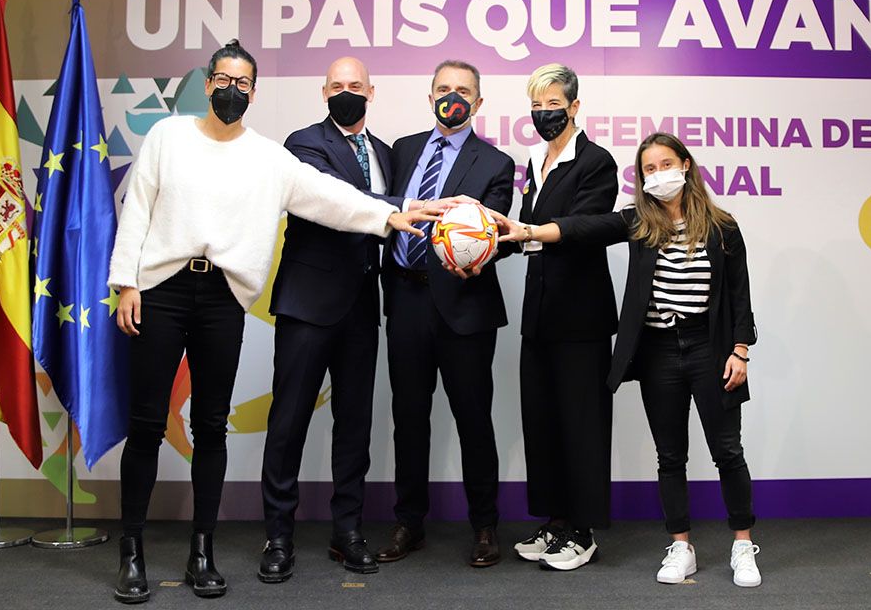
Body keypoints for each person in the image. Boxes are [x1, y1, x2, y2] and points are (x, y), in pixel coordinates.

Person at [107, 41, 439, 604]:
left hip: (223, 297)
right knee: (145, 424)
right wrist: (127, 283)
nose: (232, 89)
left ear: (255, 92)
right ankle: (132, 551)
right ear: (208, 83)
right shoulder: (167, 137)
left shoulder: (269, 157)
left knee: (212, 427)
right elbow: (137, 205)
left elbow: (330, 197)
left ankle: (202, 553)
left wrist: (390, 215)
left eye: (243, 82)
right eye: (223, 80)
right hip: (160, 290)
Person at [492, 132, 762, 587]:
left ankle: (742, 545)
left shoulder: (722, 226)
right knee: (670, 455)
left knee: (727, 451)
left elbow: (739, 294)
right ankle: (681, 546)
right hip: (658, 350)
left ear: (687, 165)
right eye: (648, 170)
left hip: (709, 349)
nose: (658, 175)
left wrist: (740, 350)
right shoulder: (639, 222)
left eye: (665, 164)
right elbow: (586, 227)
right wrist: (532, 231)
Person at [258, 57, 466, 583]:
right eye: (337, 85)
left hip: (361, 308)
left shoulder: (385, 154)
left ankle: (346, 530)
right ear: (322, 90)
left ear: (372, 92)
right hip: (307, 303)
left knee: (355, 426)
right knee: (288, 423)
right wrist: (407, 205)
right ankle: (278, 536)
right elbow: (331, 198)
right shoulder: (303, 143)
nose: (346, 92)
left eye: (356, 85)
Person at [375, 59, 515, 568]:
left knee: (473, 419)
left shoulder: (496, 162)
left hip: (465, 307)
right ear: (429, 95)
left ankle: (484, 527)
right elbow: (384, 210)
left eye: (462, 91)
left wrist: (479, 253)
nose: (451, 97)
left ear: (478, 103)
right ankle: (409, 523)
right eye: (442, 89)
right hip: (406, 299)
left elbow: (498, 230)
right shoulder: (402, 151)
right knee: (408, 418)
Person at [501, 64, 618, 571]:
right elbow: (523, 232)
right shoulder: (536, 161)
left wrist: (528, 232)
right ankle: (556, 522)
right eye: (537, 104)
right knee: (543, 422)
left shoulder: (596, 161)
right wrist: (483, 246)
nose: (544, 113)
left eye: (554, 104)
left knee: (582, 424)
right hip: (541, 314)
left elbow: (586, 226)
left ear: (574, 107)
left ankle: (583, 530)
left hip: (582, 316)